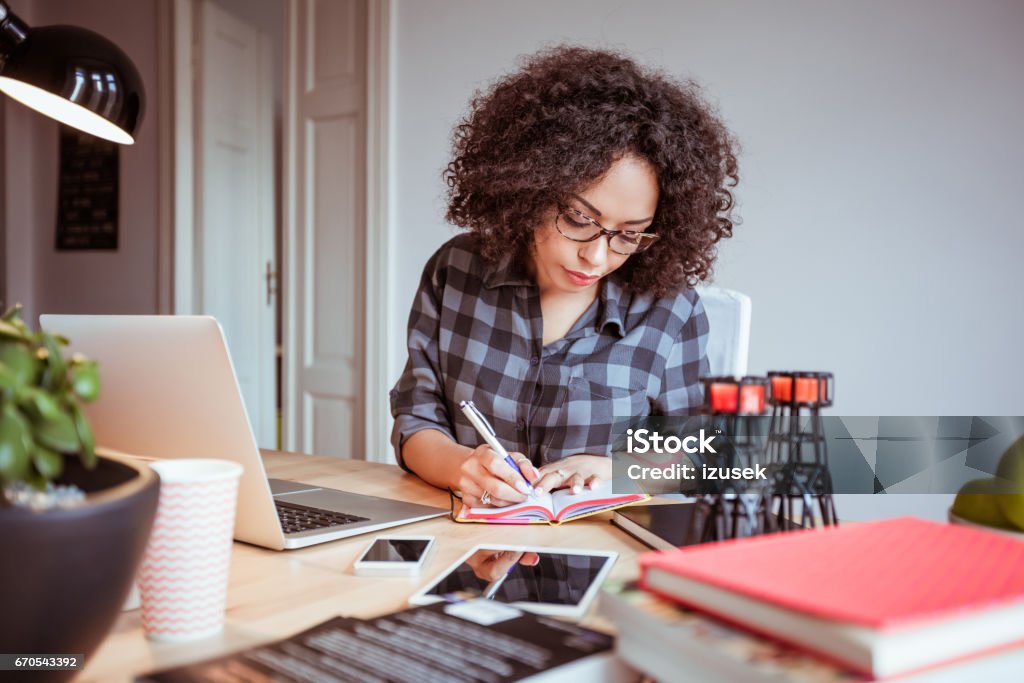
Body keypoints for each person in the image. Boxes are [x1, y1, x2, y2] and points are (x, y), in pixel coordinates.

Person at [390, 45, 738, 508]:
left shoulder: (668, 307)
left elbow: (708, 455)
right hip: (469, 548)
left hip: (604, 560)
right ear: (531, 190)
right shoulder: (455, 271)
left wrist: (615, 470)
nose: (596, 256)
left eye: (628, 236)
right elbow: (416, 419)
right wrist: (462, 467)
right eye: (578, 219)